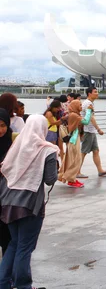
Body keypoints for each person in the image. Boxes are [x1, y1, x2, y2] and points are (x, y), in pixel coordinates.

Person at [0, 115, 58, 289]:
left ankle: (3, 283)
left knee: (14, 243)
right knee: (25, 247)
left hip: (8, 203)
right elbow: (50, 179)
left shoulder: (17, 146)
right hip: (29, 204)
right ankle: (23, 285)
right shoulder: (47, 150)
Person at [59, 100, 92, 188]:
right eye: (79, 105)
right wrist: (88, 111)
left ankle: (70, 177)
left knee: (72, 159)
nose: (81, 106)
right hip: (73, 140)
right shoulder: (74, 115)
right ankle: (71, 179)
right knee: (75, 160)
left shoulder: (74, 114)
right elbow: (86, 121)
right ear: (75, 106)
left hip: (74, 139)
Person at [79, 87, 106, 178]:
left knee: (96, 150)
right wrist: (98, 129)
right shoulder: (88, 103)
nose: (97, 93)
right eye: (95, 92)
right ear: (89, 93)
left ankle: (100, 170)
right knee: (83, 152)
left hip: (90, 130)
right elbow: (91, 118)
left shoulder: (90, 103)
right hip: (87, 130)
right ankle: (77, 171)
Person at [0, 109, 14, 256]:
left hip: (7, 192)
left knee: (6, 229)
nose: (1, 130)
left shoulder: (13, 140)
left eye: (3, 125)